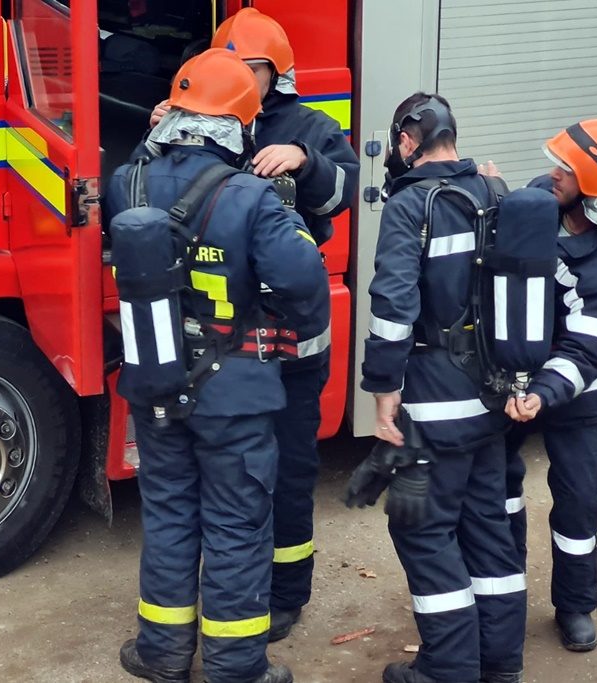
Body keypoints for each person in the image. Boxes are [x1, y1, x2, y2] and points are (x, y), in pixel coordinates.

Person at [105, 48, 329, 683]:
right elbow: (304, 284)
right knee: (236, 524)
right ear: (241, 122)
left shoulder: (128, 182)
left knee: (169, 514)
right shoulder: (252, 197)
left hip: (155, 382)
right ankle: (236, 668)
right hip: (235, 392)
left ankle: (162, 653)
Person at [356, 92, 526, 683]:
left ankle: (448, 669)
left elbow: (393, 306)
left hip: (434, 401)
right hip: (493, 397)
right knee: (488, 527)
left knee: (424, 531)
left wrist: (383, 388)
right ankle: (501, 662)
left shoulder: (410, 205)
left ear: (408, 141)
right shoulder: (494, 193)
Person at [208, 7, 359, 641]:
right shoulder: (204, 118)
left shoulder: (310, 127)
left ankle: (288, 592)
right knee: (234, 468)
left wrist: (305, 159)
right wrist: (165, 132)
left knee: (292, 467)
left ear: (280, 72)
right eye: (235, 66)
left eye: (256, 68)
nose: (246, 77)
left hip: (292, 327)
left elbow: (344, 191)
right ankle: (236, 583)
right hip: (230, 329)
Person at [503, 119, 597, 653]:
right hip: (517, 382)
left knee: (579, 501)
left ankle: (576, 605)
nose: (553, 174)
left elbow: (586, 350)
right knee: (498, 488)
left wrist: (541, 393)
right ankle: (504, 595)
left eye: (566, 168)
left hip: (578, 394)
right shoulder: (540, 200)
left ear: (593, 187)